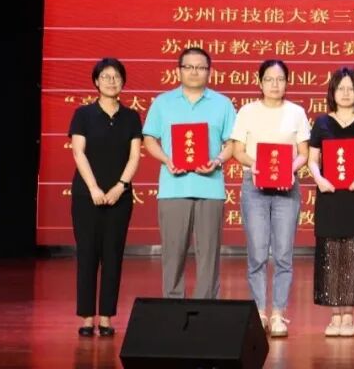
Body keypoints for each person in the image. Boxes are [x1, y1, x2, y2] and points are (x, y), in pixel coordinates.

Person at [141, 46, 236, 299]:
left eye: (201, 67)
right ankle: (173, 306)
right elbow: (149, 138)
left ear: (209, 72)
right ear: (178, 71)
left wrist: (217, 160)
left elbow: (232, 143)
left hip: (210, 188)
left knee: (209, 256)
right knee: (173, 253)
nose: (195, 72)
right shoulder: (162, 102)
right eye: (189, 67)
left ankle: (207, 308)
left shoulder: (223, 104)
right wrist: (167, 159)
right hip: (173, 188)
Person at [230, 59, 310, 336]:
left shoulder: (296, 112)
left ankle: (278, 313)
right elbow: (238, 151)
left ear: (287, 82)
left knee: (284, 253)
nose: (275, 85)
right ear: (260, 82)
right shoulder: (247, 111)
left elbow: (303, 152)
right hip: (255, 187)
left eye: (280, 79)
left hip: (287, 188)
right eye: (269, 79)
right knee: (257, 252)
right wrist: (258, 166)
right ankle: (259, 312)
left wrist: (288, 168)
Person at [69, 58, 142, 337]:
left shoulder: (132, 117)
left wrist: (120, 187)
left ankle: (107, 317)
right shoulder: (83, 114)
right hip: (86, 196)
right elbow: (79, 153)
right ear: (96, 82)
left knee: (113, 255)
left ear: (123, 81)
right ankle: (87, 317)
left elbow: (134, 156)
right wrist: (94, 188)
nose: (111, 81)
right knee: (87, 254)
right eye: (105, 77)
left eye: (116, 77)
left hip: (119, 197)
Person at [308, 66, 354, 337]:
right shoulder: (321, 123)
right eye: (341, 88)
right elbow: (312, 160)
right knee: (331, 254)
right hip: (329, 195)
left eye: (351, 88)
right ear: (333, 92)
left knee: (353, 253)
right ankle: (334, 316)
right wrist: (319, 180)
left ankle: (348, 316)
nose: (346, 93)